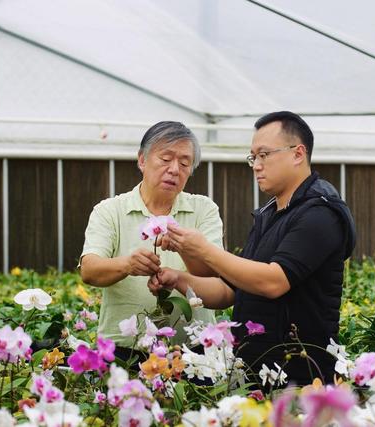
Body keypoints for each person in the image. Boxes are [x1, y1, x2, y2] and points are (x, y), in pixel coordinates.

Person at [148, 111, 356, 386]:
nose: (256, 165)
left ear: (298, 154)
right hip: (255, 372)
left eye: (264, 155)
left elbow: (273, 282)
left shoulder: (320, 213)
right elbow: (229, 292)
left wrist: (204, 249)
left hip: (299, 378)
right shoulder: (269, 215)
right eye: (253, 157)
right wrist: (178, 278)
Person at [79, 121, 223, 360]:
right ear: (142, 160)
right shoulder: (110, 210)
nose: (175, 169)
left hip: (194, 352)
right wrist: (127, 265)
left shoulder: (204, 209)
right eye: (165, 159)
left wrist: (185, 249)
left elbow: (213, 276)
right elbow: (89, 270)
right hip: (124, 352)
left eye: (185, 163)